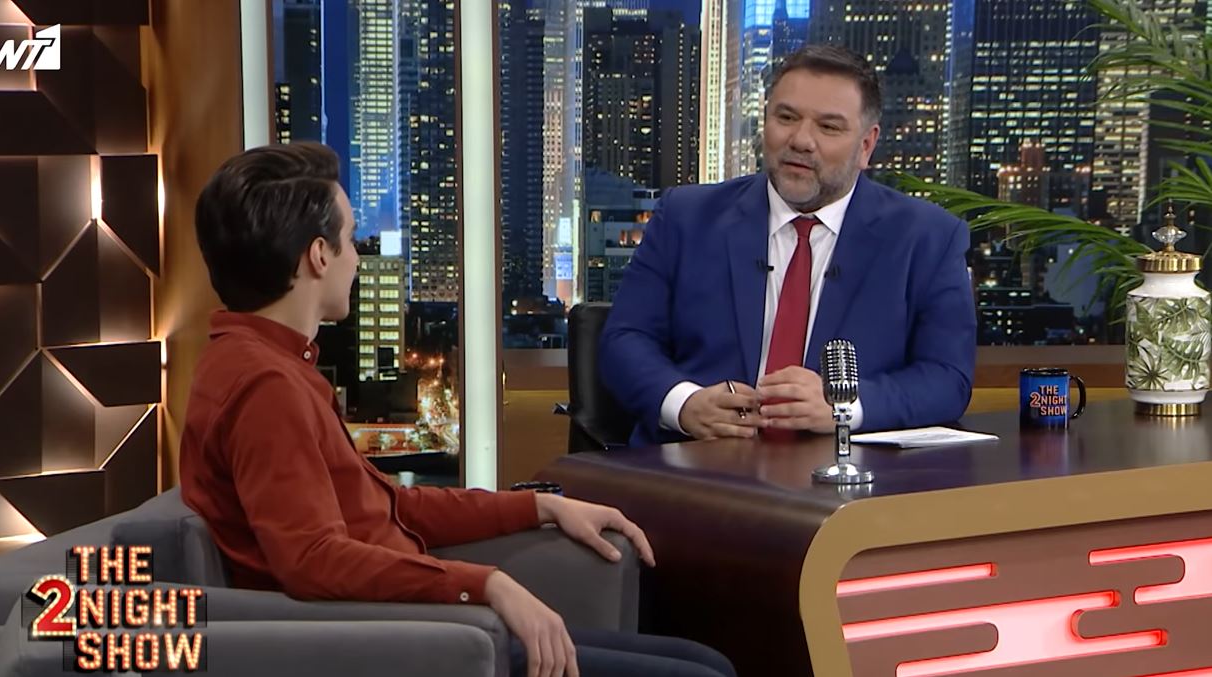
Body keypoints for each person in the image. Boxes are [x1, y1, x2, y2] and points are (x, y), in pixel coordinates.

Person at [180, 142, 736, 677]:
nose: (357, 259)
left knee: (706, 664)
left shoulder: (262, 364)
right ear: (318, 256)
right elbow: (314, 560)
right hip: (407, 644)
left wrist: (540, 506)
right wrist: (483, 585)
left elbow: (388, 506)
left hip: (423, 626)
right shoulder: (266, 387)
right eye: (350, 240)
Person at [600, 44, 976, 447]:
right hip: (697, 465)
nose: (801, 140)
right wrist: (684, 403)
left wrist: (844, 406)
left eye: (828, 127)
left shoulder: (928, 238)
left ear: (866, 146)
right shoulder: (686, 217)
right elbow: (625, 340)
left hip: (847, 473)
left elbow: (947, 378)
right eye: (786, 117)